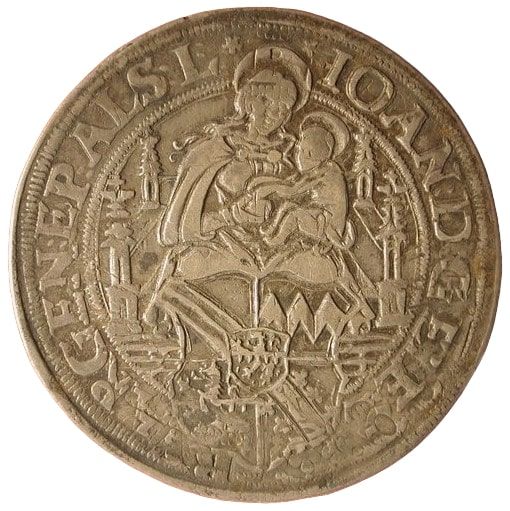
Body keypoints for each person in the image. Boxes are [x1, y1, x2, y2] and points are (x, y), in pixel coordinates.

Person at [245, 112, 354, 249]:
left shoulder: (325, 172)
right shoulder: (325, 168)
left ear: (310, 153)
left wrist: (267, 188)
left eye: (300, 150)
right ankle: (269, 231)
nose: (295, 155)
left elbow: (291, 190)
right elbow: (293, 184)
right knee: (287, 205)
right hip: (319, 214)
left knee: (294, 215)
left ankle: (274, 241)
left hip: (326, 226)